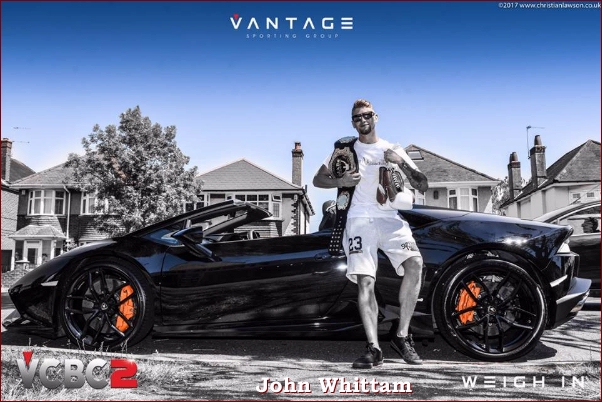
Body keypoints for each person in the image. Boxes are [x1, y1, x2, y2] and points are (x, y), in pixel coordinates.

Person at [313, 99, 428, 368]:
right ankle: (374, 349)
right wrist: (340, 181)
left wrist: (401, 163)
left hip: (389, 218)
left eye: (367, 115)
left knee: (415, 263)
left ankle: (402, 336)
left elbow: (422, 184)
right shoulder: (344, 151)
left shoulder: (392, 149)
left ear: (375, 117)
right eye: (357, 118)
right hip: (358, 219)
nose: (362, 120)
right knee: (365, 280)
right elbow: (318, 179)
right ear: (353, 123)